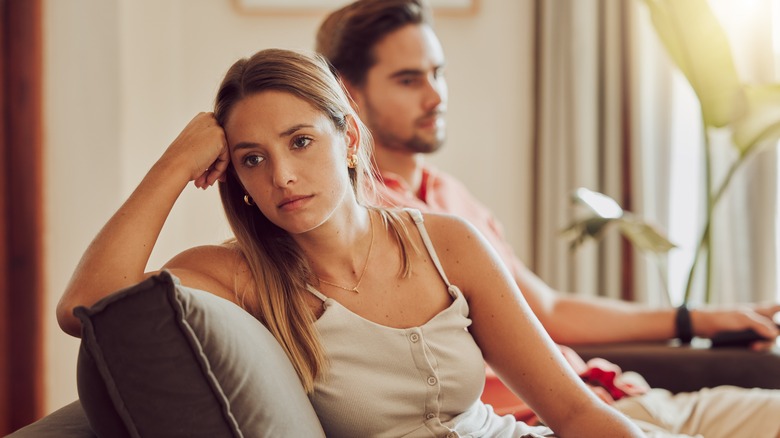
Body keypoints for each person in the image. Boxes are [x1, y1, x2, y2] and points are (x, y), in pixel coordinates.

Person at [56, 49, 645, 437]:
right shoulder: (236, 276)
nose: (282, 176)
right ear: (233, 176)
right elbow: (85, 306)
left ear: (351, 141)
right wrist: (175, 162)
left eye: (301, 142)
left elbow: (574, 411)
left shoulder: (446, 243)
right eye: (252, 159)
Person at [316, 0, 780, 436]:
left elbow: (547, 309)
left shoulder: (448, 194)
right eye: (408, 80)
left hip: (618, 395)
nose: (436, 96)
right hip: (548, 419)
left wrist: (695, 319)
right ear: (348, 93)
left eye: (438, 73)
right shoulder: (364, 223)